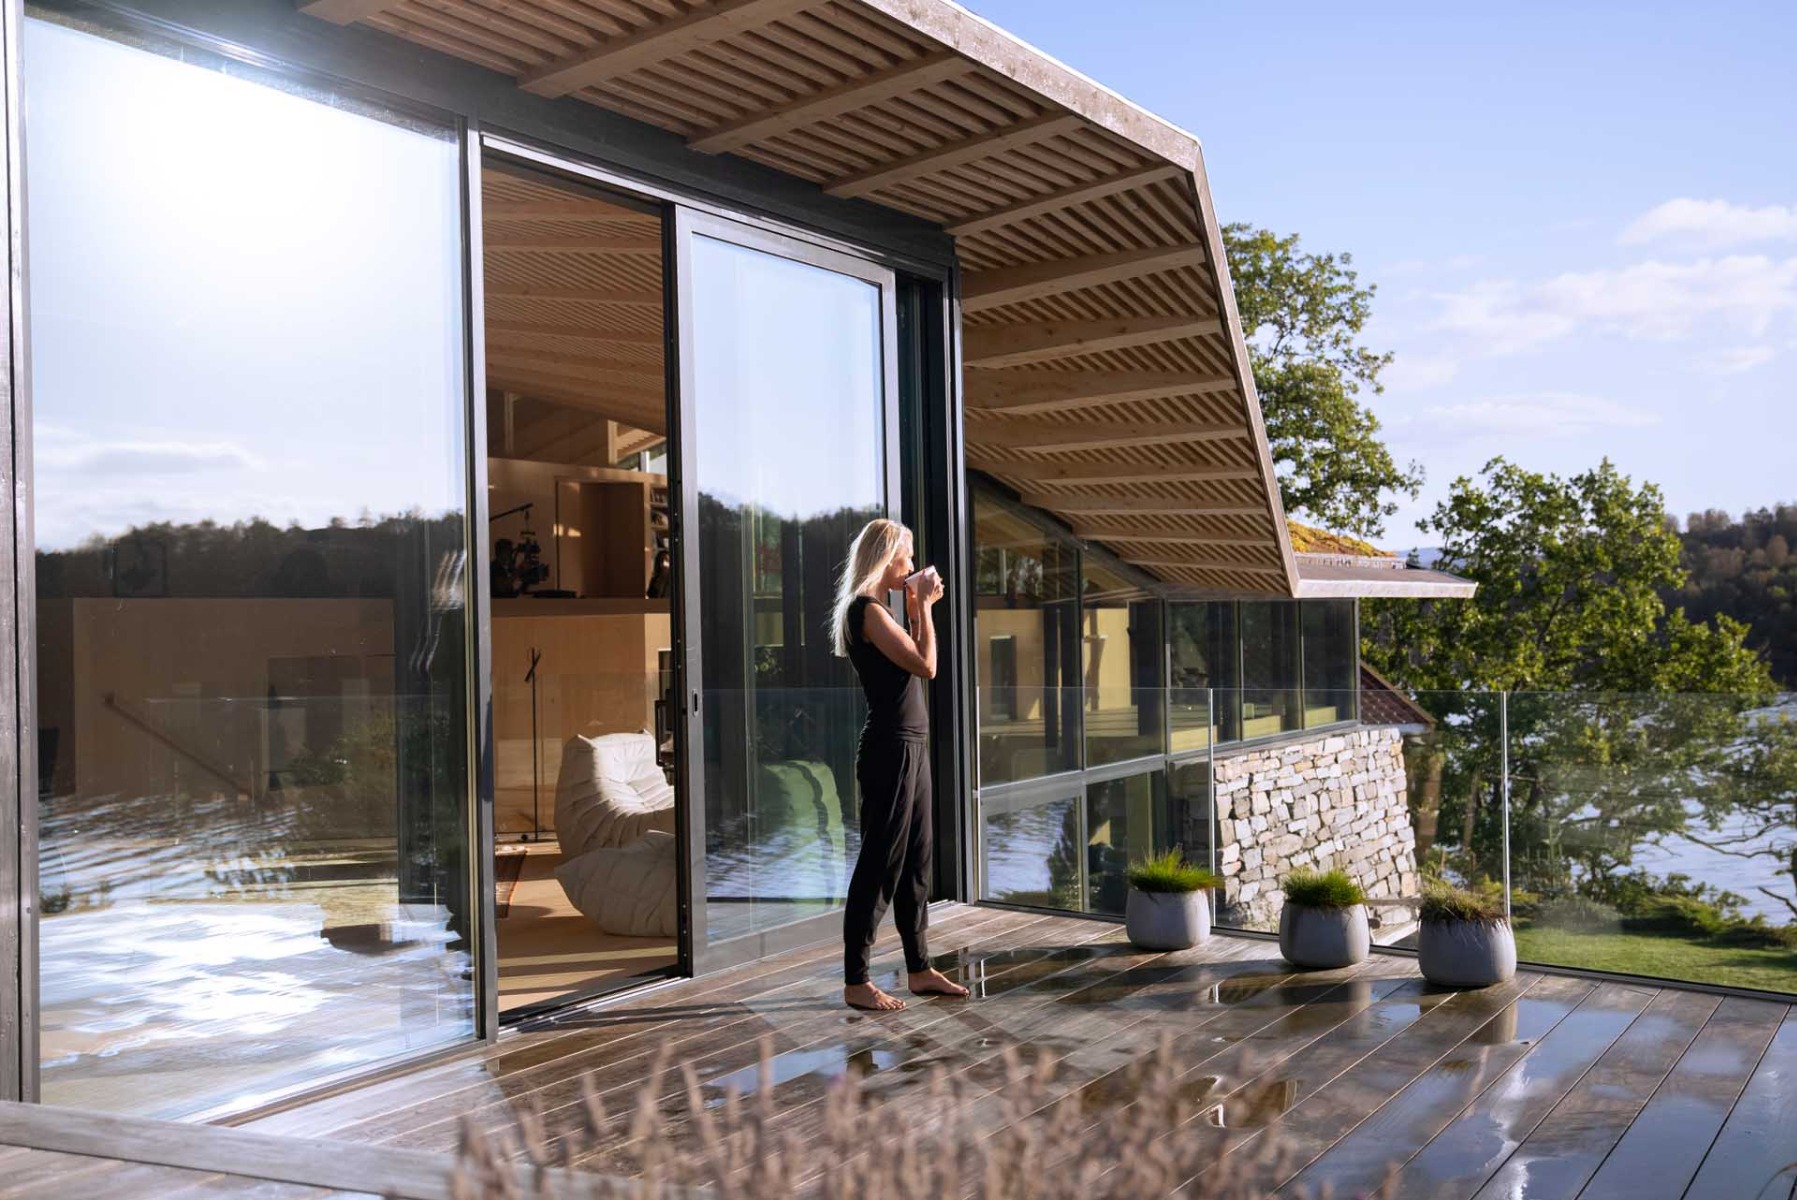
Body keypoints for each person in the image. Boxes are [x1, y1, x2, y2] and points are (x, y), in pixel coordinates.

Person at [831, 518, 971, 1012]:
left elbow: (913, 659)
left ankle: (919, 968)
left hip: (912, 746)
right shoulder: (866, 611)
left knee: (916, 860)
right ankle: (856, 980)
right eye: (906, 557)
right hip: (890, 749)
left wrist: (914, 612)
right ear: (887, 557)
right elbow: (927, 665)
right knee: (880, 862)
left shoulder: (882, 612)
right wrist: (924, 607)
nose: (911, 566)